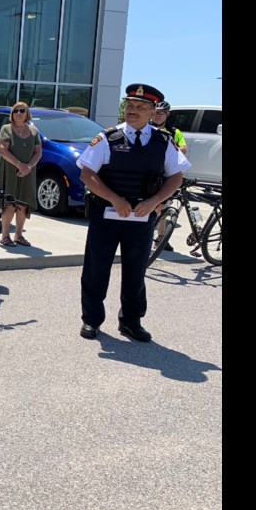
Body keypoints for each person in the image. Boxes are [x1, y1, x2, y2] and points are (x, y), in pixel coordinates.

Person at [77, 83, 190, 343]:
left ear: (152, 112)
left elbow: (176, 177)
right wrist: (114, 199)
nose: (133, 110)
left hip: (141, 217)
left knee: (136, 271)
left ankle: (131, 321)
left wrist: (156, 201)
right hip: (105, 214)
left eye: (140, 107)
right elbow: (87, 174)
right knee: (96, 269)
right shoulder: (108, 137)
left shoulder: (163, 142)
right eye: (130, 105)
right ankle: (91, 320)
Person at [0, 101, 42, 247]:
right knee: (9, 203)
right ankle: (5, 236)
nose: (19, 113)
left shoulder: (33, 131)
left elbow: (38, 152)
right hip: (10, 171)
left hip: (28, 172)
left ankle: (19, 235)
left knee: (23, 203)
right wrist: (19, 165)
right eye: (16, 111)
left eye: (22, 110)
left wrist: (28, 167)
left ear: (27, 113)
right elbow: (2, 149)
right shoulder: (6, 129)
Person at [149, 100, 187, 252]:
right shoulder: (147, 128)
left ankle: (161, 237)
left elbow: (183, 149)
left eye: (161, 113)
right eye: (156, 113)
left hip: (166, 174)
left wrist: (171, 148)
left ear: (167, 115)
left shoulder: (174, 131)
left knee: (162, 207)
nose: (158, 116)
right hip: (149, 171)